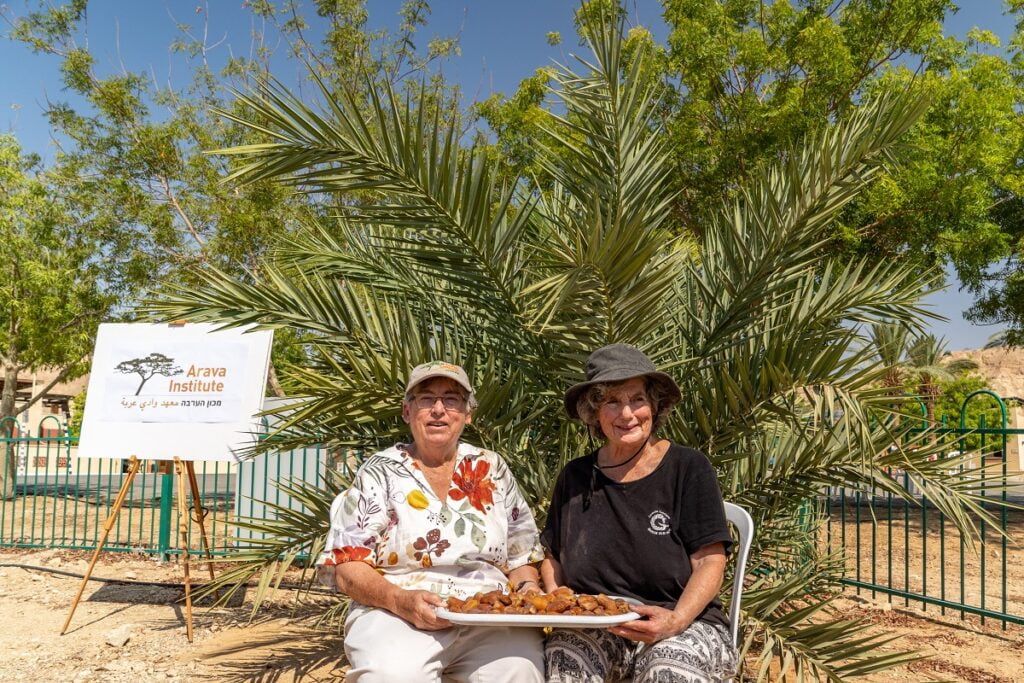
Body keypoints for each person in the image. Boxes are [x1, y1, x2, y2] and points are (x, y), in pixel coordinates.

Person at [317, 360, 545, 682]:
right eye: (426, 399)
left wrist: (528, 590)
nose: (439, 409)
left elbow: (522, 556)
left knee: (520, 672)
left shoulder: (491, 467)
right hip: (395, 611)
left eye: (452, 399)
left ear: (467, 414)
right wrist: (401, 601)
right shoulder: (379, 471)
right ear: (407, 411)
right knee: (391, 675)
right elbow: (347, 567)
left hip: (488, 614)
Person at [541, 344, 738, 683]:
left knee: (668, 669)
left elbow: (710, 562)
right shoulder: (575, 476)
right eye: (612, 402)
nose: (627, 414)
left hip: (684, 622)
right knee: (565, 660)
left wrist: (674, 621)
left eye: (637, 399)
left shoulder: (688, 468)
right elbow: (552, 556)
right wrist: (563, 603)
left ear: (655, 405)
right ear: (594, 413)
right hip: (597, 623)